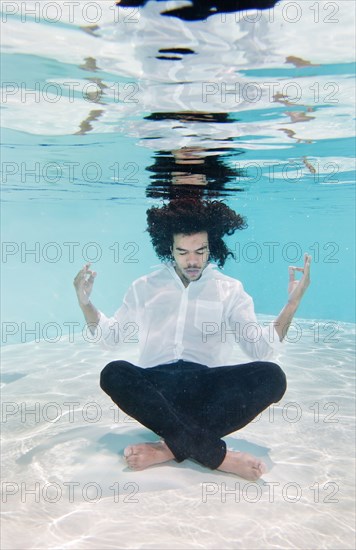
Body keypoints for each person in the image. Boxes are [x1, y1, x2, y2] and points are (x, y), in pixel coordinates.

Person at [73, 198, 311, 481]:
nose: (193, 261)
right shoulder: (144, 287)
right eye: (183, 252)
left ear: (213, 248)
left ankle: (168, 448)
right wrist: (85, 302)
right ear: (169, 249)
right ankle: (217, 456)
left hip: (208, 391)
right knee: (113, 373)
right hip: (157, 392)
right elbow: (110, 340)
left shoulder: (229, 290)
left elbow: (260, 348)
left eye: (200, 251)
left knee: (272, 376)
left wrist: (293, 304)